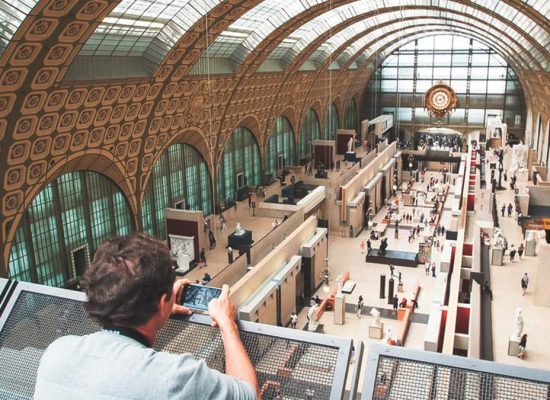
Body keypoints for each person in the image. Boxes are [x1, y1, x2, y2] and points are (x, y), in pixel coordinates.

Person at [34, 233, 259, 399]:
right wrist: (228, 325)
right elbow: (249, 394)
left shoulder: (57, 353)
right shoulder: (176, 377)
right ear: (162, 303)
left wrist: (152, 309)